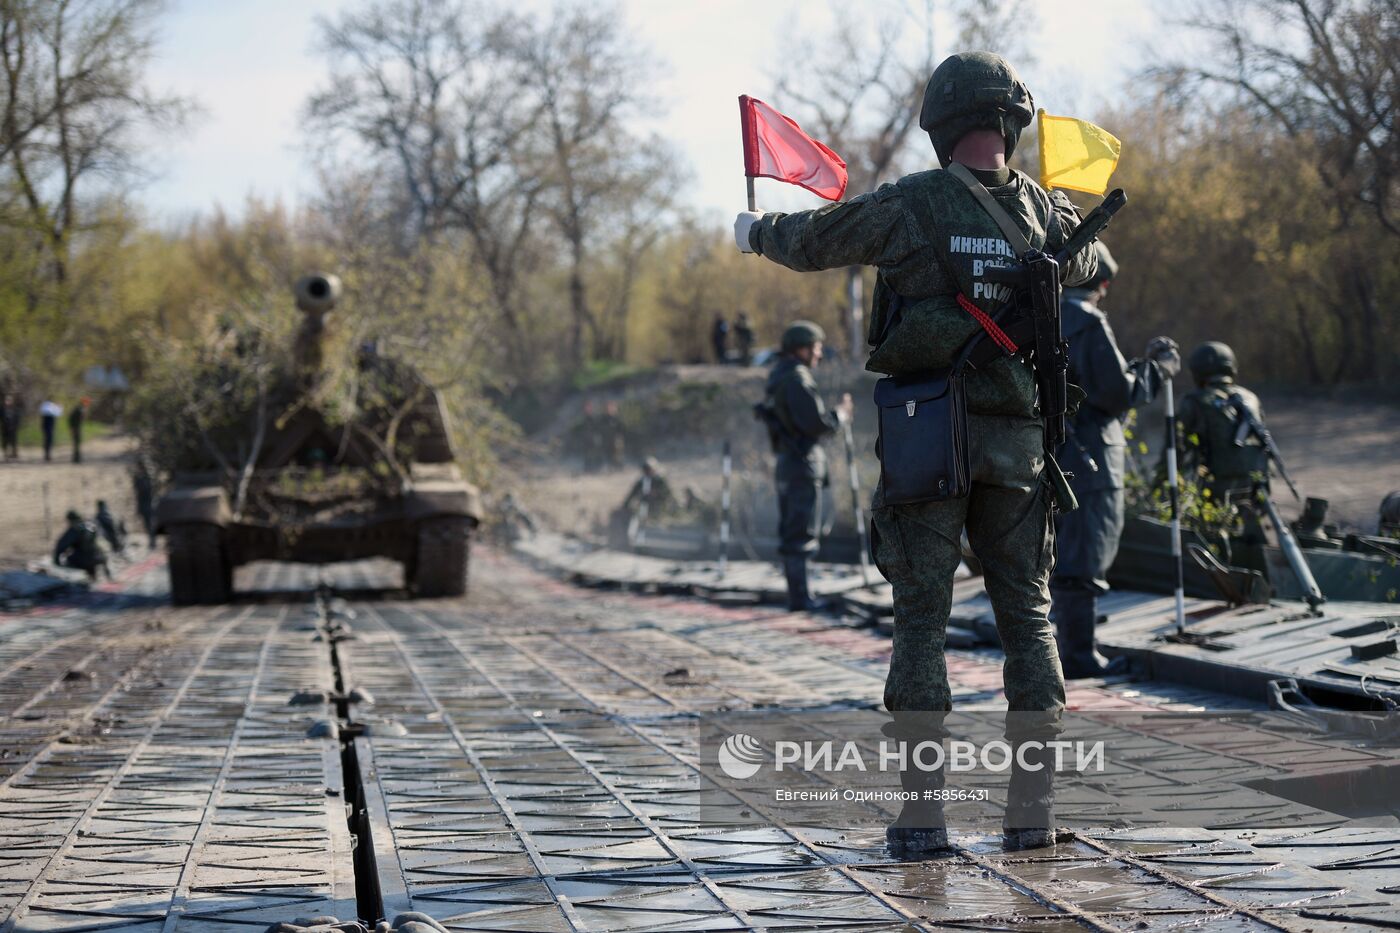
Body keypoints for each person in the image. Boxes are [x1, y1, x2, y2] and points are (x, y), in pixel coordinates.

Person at [735, 52, 1097, 854]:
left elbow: (813, 240)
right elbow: (1097, 260)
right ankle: (1030, 816)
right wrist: (1054, 229)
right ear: (1010, 122)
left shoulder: (910, 205)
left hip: (929, 434)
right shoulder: (1044, 211)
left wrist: (754, 230)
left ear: (940, 125)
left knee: (921, 624)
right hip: (1018, 446)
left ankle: (923, 820)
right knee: (1029, 623)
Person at [1051, 243, 1180, 679]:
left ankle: (1065, 651)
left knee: (1062, 551)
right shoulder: (1087, 321)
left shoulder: (1040, 316)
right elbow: (1117, 393)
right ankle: (1080, 656)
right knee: (1089, 551)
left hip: (1053, 453)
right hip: (1093, 456)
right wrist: (1157, 369)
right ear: (1100, 283)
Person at [758, 321, 853, 612]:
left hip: (789, 462)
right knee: (801, 531)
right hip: (802, 464)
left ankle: (798, 594)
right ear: (801, 348)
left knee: (793, 529)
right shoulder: (797, 379)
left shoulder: (779, 376)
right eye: (816, 347)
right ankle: (801, 598)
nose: (819, 353)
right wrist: (841, 414)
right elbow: (815, 424)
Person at [53, 509, 110, 581]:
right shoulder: (90, 524)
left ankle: (84, 580)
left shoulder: (74, 530)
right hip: (99, 555)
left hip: (85, 559)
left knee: (70, 559)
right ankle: (96, 577)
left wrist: (56, 560)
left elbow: (61, 546)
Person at [132, 459, 158, 548]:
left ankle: (153, 542)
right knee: (147, 525)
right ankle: (152, 541)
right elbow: (137, 492)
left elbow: (146, 490)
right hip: (143, 504)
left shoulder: (147, 478)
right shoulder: (139, 478)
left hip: (148, 504)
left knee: (151, 525)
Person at [1, 394, 20, 460]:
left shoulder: (15, 409)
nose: (8, 401)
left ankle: (14, 453)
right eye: (7, 400)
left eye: (9, 400)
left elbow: (17, 419)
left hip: (13, 428)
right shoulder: (2, 409)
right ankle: (6, 453)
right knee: (5, 441)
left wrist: (16, 426)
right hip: (5, 427)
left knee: (13, 441)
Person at [68, 397, 87, 463]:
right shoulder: (79, 409)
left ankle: (77, 457)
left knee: (77, 443)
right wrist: (72, 429)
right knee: (76, 443)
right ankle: (76, 458)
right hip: (76, 428)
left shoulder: (79, 409)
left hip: (77, 428)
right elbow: (71, 419)